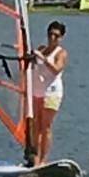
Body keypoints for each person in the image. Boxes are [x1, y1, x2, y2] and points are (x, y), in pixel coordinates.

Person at [29, 21, 68, 168]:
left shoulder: (61, 53)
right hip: (36, 92)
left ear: (61, 37)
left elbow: (56, 69)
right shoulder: (41, 49)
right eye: (50, 34)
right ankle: (35, 160)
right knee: (35, 127)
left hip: (52, 93)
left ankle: (44, 160)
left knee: (45, 127)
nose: (52, 38)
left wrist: (43, 59)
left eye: (56, 36)